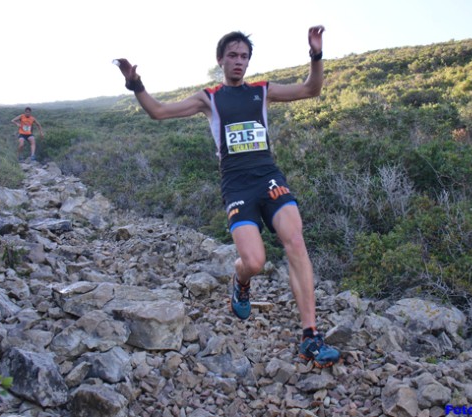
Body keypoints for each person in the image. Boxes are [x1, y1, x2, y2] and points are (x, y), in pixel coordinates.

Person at [115, 26, 340, 368]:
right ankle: (241, 280)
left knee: (295, 240)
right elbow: (158, 111)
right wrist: (136, 85)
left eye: (244, 56)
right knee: (254, 262)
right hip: (237, 187)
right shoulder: (209, 97)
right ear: (220, 60)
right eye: (232, 56)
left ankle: (310, 335)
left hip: (269, 178)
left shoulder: (262, 91)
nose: (239, 62)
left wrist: (316, 54)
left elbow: (312, 89)